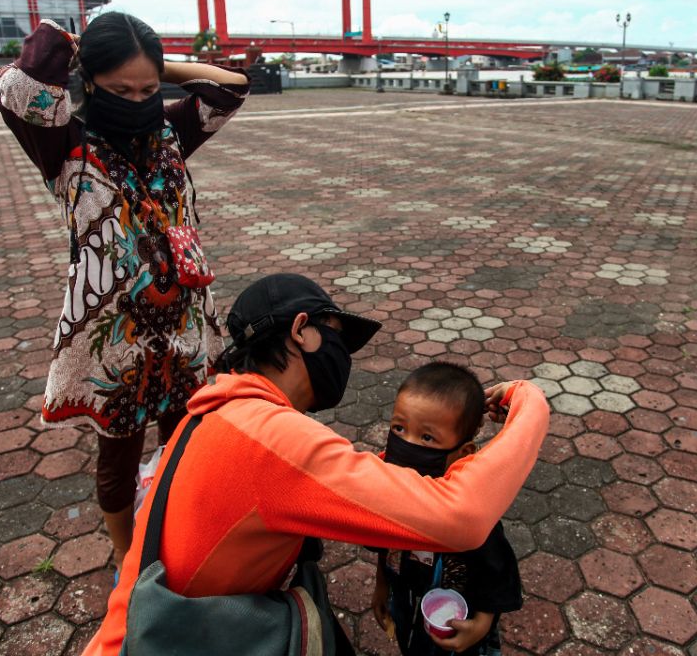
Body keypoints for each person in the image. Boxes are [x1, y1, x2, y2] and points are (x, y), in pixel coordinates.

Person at [83, 273, 549, 655]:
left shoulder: (212, 410)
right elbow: (460, 517)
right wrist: (530, 402)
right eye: (337, 339)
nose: (341, 357)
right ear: (302, 330)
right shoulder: (273, 441)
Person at [0, 13, 249, 566]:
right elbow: (21, 85)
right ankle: (129, 560)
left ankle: (179, 527)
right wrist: (78, 50)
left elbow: (231, 88)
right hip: (117, 336)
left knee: (186, 439)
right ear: (90, 83)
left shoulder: (169, 134)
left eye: (149, 90)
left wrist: (155, 67)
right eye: (120, 89)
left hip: (184, 319)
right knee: (119, 457)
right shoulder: (62, 143)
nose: (137, 101)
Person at [372, 362, 523, 656]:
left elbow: (496, 575)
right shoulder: (388, 493)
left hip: (460, 622)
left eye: (427, 438)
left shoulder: (469, 513)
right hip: (408, 601)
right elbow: (382, 546)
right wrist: (382, 588)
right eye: (399, 428)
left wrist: (481, 625)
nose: (406, 444)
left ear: (463, 453)